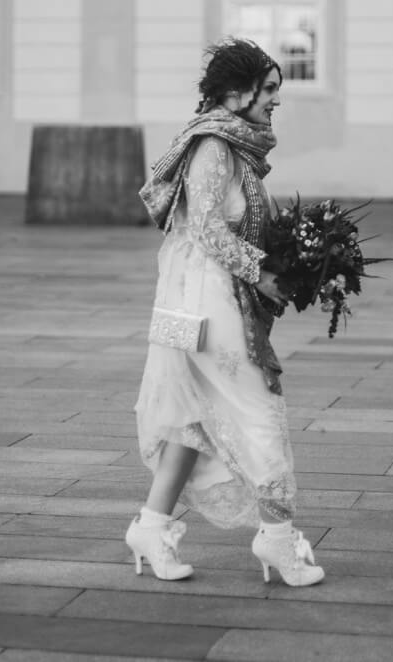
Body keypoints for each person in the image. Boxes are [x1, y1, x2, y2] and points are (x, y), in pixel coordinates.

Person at [127, 37, 324, 587]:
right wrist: (260, 271)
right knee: (262, 414)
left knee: (193, 423)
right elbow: (209, 228)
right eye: (267, 90)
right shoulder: (214, 146)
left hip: (209, 299)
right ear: (235, 93)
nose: (274, 100)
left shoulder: (235, 146)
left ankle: (150, 526)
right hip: (209, 305)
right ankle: (277, 541)